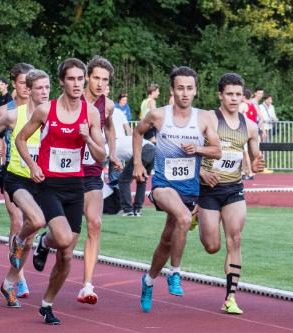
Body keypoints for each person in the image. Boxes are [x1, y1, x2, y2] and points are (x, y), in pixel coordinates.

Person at [16, 58, 106, 324]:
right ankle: (44, 241)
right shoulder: (46, 110)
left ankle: (47, 304)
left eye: (81, 79)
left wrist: (88, 138)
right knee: (64, 239)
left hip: (74, 187)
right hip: (48, 185)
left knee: (66, 255)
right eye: (71, 79)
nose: (77, 84)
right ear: (62, 81)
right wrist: (32, 165)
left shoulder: (91, 114)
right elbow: (21, 138)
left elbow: (101, 155)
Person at [134, 66, 221, 313]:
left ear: (195, 91)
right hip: (162, 186)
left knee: (166, 239)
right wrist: (139, 163)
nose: (185, 93)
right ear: (172, 90)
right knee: (183, 218)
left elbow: (217, 150)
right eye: (180, 88)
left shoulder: (204, 118)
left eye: (189, 88)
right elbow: (138, 132)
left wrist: (199, 151)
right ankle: (175, 273)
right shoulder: (158, 115)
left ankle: (149, 280)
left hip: (188, 189)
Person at [0, 69, 50, 308]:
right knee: (28, 222)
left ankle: (10, 282)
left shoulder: (53, 115)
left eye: (47, 88)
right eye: (39, 88)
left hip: (41, 180)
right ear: (28, 90)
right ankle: (17, 243)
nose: (44, 93)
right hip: (16, 178)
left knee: (29, 240)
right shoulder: (13, 115)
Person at [198, 73, 264, 314]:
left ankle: (231, 297)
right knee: (212, 246)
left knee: (235, 239)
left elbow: (255, 155)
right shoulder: (209, 119)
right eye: (229, 94)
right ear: (220, 95)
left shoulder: (250, 126)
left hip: (233, 189)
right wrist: (201, 174)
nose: (234, 99)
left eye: (238, 94)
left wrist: (256, 163)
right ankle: (199, 217)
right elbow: (189, 150)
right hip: (207, 189)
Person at [69, 56, 120, 305]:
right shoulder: (71, 99)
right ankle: (44, 242)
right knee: (66, 234)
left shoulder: (107, 105)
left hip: (92, 170)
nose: (100, 83)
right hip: (66, 171)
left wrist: (112, 153)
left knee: (95, 223)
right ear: (87, 77)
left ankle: (87, 285)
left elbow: (108, 127)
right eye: (96, 78)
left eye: (105, 80)